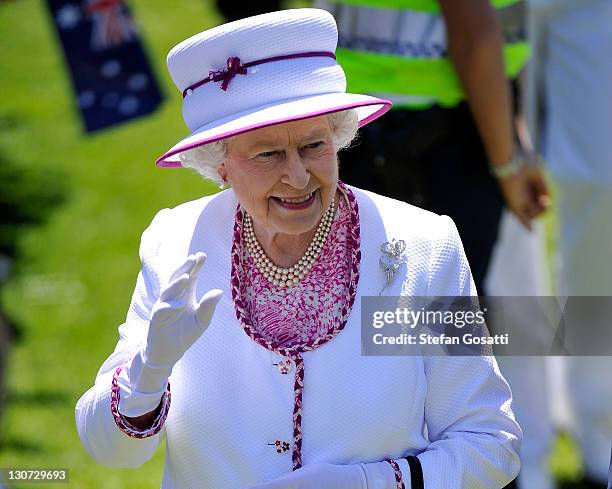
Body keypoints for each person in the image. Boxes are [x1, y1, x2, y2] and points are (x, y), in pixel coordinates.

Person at [75, 9, 521, 488]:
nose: (298, 176)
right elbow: (110, 450)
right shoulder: (177, 241)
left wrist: (368, 484)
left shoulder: (421, 248)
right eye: (268, 154)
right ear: (220, 164)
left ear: (339, 135)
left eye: (313, 145)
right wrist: (147, 373)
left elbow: (489, 444)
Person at [315, 0, 549, 295]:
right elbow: (474, 37)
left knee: (369, 313)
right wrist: (507, 163)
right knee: (441, 325)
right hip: (436, 136)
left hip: (356, 117)